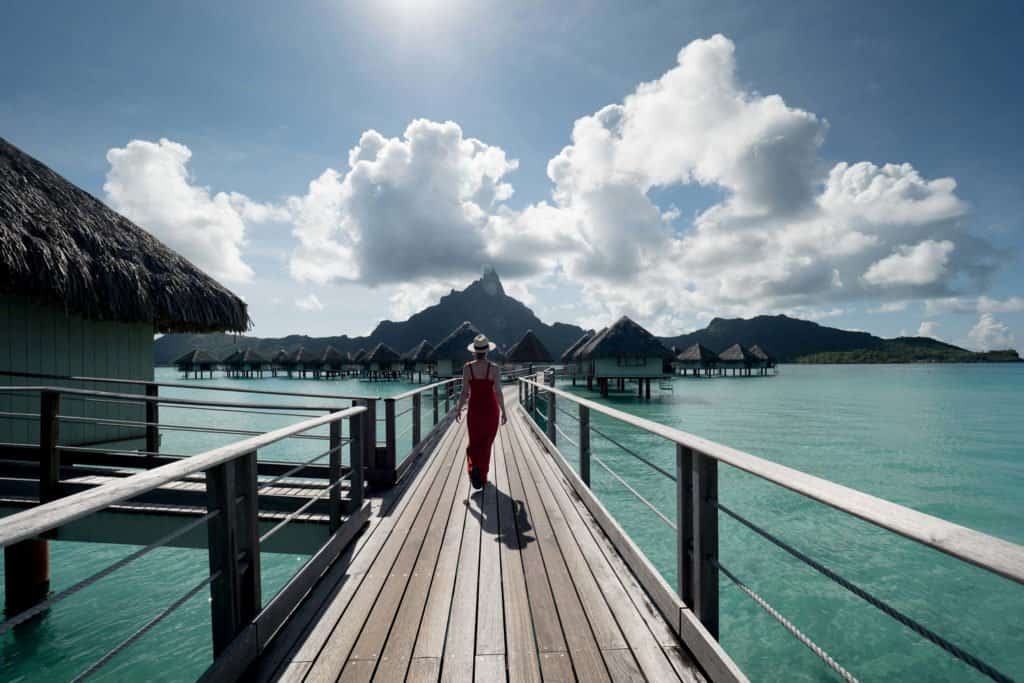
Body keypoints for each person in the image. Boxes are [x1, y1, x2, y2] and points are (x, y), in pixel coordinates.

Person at [455, 334, 507, 489]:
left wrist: (458, 408)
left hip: (475, 411)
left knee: (475, 442)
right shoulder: (494, 368)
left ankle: (474, 468)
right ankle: (481, 476)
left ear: (474, 351)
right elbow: (498, 392)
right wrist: (504, 410)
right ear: (487, 351)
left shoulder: (467, 368)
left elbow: (464, 392)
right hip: (491, 410)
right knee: (486, 444)